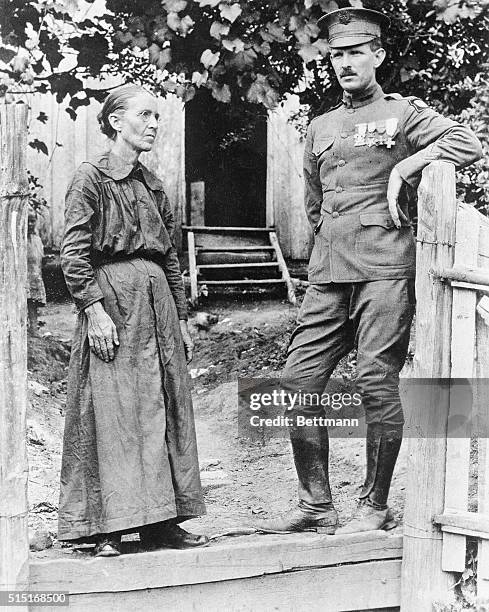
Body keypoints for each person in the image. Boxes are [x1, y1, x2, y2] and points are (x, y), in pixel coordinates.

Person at [257, 7, 482, 535]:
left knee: (376, 378)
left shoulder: (402, 116)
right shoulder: (320, 127)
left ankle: (373, 504)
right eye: (337, 54)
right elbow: (314, 206)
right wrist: (326, 254)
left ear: (378, 56)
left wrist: (408, 164)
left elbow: (467, 143)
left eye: (357, 52)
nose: (346, 63)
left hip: (385, 267)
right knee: (297, 379)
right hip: (330, 271)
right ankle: (316, 503)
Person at [58, 85, 207, 556]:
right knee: (113, 411)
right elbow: (73, 254)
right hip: (115, 305)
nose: (153, 124)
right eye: (144, 115)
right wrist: (94, 309)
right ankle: (105, 527)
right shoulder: (90, 178)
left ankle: (161, 522)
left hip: (158, 307)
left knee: (163, 407)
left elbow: (171, 258)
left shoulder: (152, 183)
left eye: (157, 117)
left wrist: (180, 316)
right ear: (116, 121)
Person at [27, 208, 46, 337]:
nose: (30, 224)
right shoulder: (19, 239)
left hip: (34, 275)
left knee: (33, 303)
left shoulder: (37, 239)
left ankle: (34, 329)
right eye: (27, 221)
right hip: (24, 276)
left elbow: (39, 258)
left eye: (32, 221)